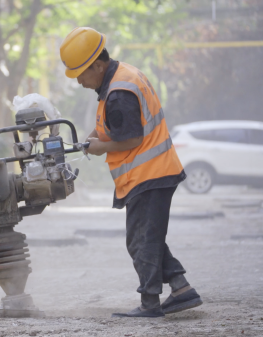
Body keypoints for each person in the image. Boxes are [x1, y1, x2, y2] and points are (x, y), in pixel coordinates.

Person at [59, 27, 203, 318]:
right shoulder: (120, 79)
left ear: (98, 66)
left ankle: (150, 303)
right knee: (147, 237)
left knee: (141, 241)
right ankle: (181, 288)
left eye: (81, 75)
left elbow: (132, 139)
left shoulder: (118, 93)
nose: (79, 82)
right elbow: (111, 126)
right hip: (153, 173)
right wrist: (90, 140)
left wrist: (101, 148)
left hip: (149, 174)